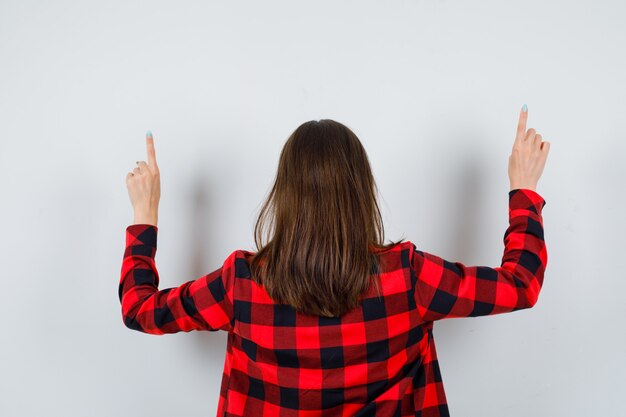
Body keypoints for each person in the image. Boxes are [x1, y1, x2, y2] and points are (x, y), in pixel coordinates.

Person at [120, 104, 550, 417]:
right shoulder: (407, 277)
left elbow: (140, 309)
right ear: (360, 192)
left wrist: (146, 215)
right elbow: (520, 284)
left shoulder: (242, 285)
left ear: (285, 195)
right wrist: (523, 190)